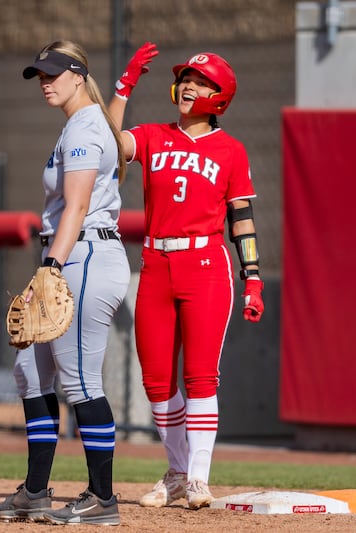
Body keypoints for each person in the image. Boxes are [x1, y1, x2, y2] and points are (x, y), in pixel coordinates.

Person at [108, 43, 265, 510]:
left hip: (206, 266)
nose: (189, 86)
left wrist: (253, 277)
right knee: (156, 381)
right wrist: (124, 85)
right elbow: (108, 142)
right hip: (156, 264)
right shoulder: (154, 135)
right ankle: (177, 471)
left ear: (220, 96)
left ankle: (196, 477)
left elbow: (242, 219)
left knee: (200, 378)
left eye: (200, 81)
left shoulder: (231, 151)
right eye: (186, 78)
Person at [0, 40, 130, 526]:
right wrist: (49, 265)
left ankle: (102, 499)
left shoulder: (86, 126)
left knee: (81, 380)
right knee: (30, 371)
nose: (45, 82)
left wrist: (49, 268)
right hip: (70, 253)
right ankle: (35, 491)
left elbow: (75, 206)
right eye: (39, 75)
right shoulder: (79, 125)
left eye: (53, 73)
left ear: (77, 74)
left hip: (85, 253)